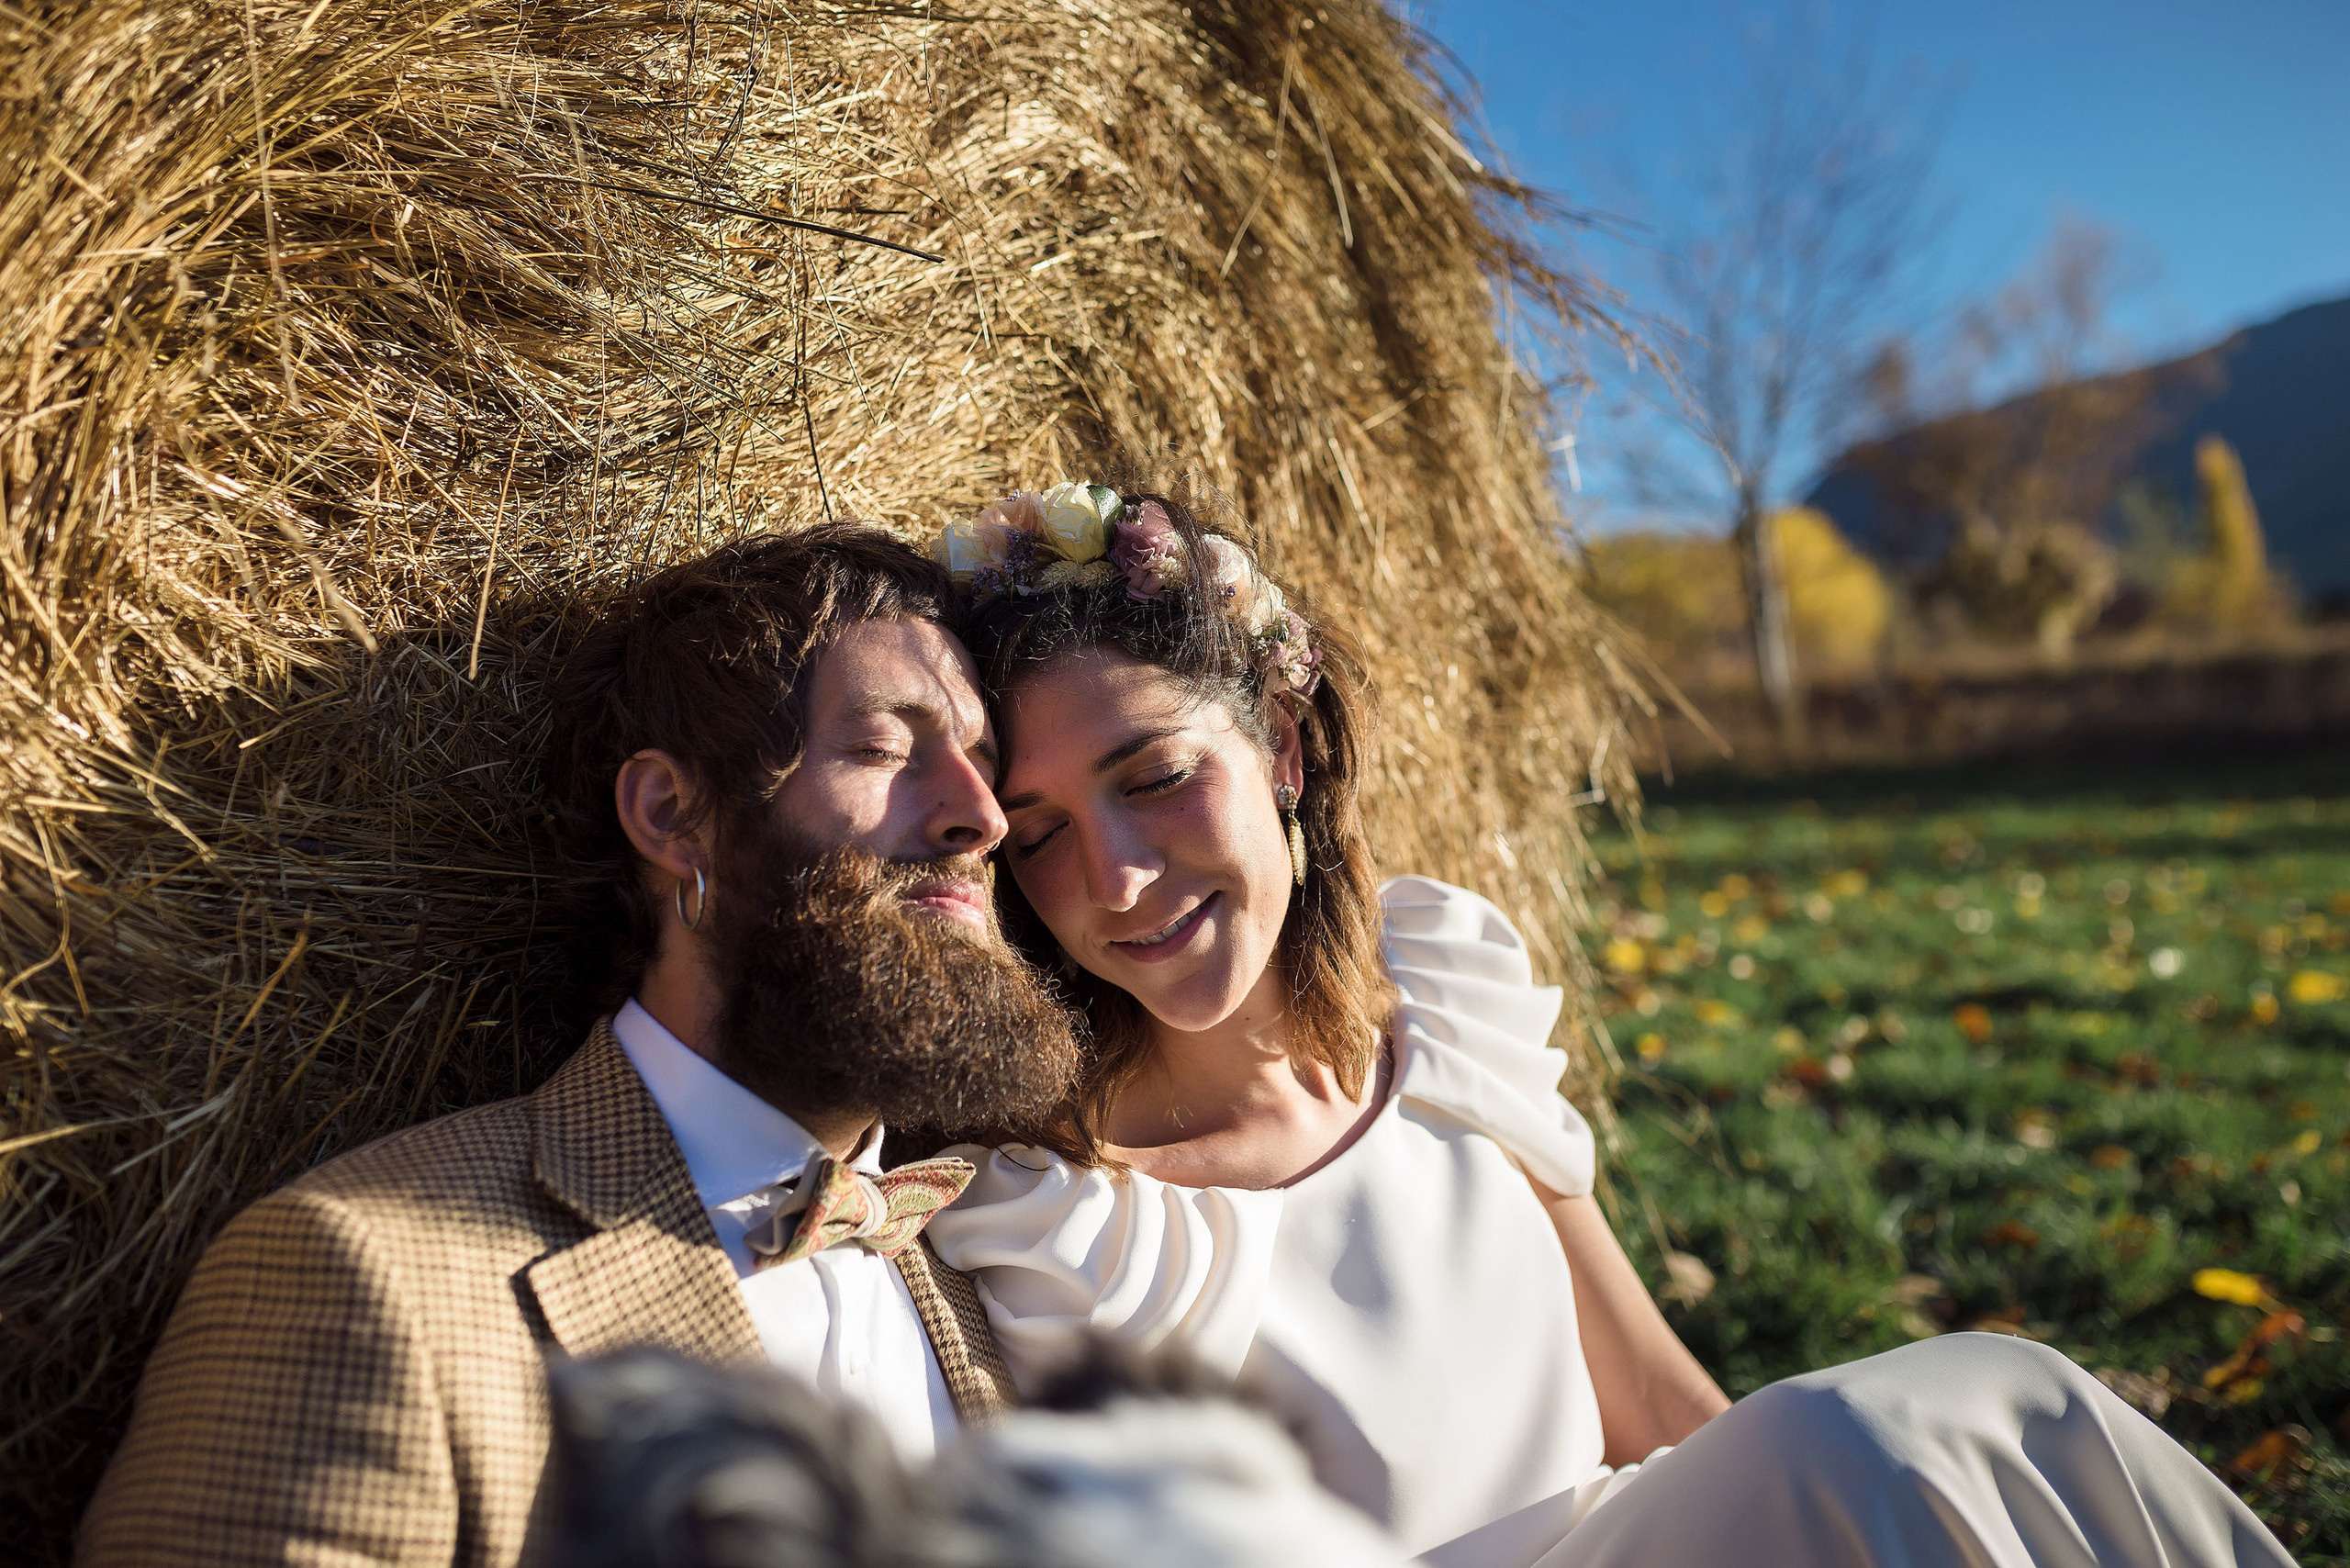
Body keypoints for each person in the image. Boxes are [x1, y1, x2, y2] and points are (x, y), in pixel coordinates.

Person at [922, 481, 2294, 1568]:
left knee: (1961, 1418)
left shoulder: (1442, 1023)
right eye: (1036, 836)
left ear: (1283, 743)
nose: (1114, 880)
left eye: (1156, 777)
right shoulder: (1052, 1214)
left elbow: (1670, 1409)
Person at [79, 524, 1084, 1567]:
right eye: (883, 747)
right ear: (671, 814)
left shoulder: (994, 1290)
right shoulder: (369, 1279)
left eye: (985, 767)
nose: (982, 819)